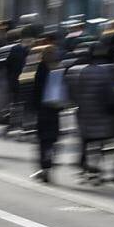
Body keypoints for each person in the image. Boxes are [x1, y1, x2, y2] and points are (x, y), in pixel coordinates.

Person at [67, 41, 114, 185]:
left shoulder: (79, 71)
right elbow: (110, 94)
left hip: (84, 113)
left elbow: (74, 93)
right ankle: (95, 172)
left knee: (85, 143)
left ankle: (85, 169)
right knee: (98, 144)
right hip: (101, 113)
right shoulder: (106, 72)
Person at [32, 44, 65, 184]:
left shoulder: (40, 70)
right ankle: (49, 164)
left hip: (42, 110)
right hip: (54, 110)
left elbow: (36, 91)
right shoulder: (58, 69)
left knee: (43, 141)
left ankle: (45, 168)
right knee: (52, 140)